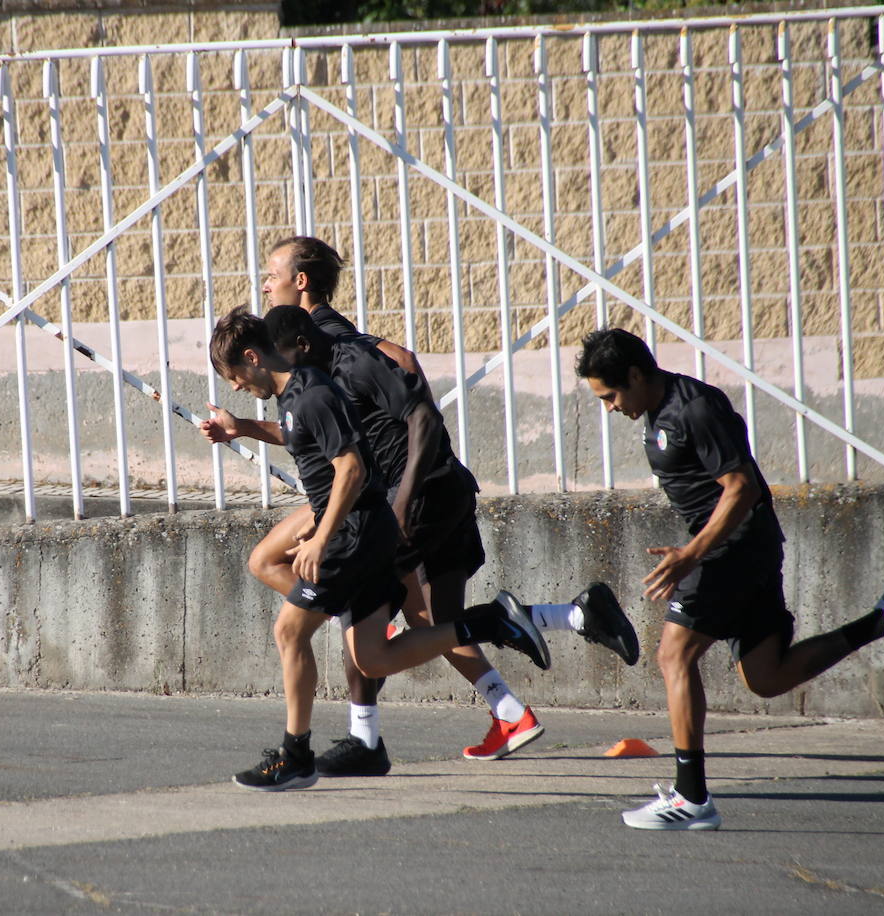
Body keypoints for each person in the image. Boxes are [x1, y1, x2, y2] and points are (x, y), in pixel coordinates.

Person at [250, 236, 638, 769]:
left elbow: (393, 371)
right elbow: (326, 419)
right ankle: (566, 624)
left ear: (300, 284)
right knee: (434, 616)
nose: (264, 285)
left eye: (271, 274)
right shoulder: (322, 344)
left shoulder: (322, 338)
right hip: (435, 484)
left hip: (407, 491)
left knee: (361, 615)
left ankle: (366, 739)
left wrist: (407, 487)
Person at [208, 307, 552, 791]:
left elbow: (350, 469)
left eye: (235, 377)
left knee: (289, 631)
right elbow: (300, 436)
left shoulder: (311, 394)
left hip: (352, 533)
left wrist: (321, 537)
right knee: (373, 658)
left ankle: (295, 755)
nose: (238, 386)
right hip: (363, 532)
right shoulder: (298, 392)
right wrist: (237, 426)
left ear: (252, 357)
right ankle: (491, 622)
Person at [576, 326, 884, 830]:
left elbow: (741, 487)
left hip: (730, 550)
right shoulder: (661, 408)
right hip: (743, 548)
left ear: (637, 375)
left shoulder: (694, 409)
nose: (610, 407)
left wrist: (691, 554)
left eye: (611, 395)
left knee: (673, 654)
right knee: (767, 677)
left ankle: (691, 799)